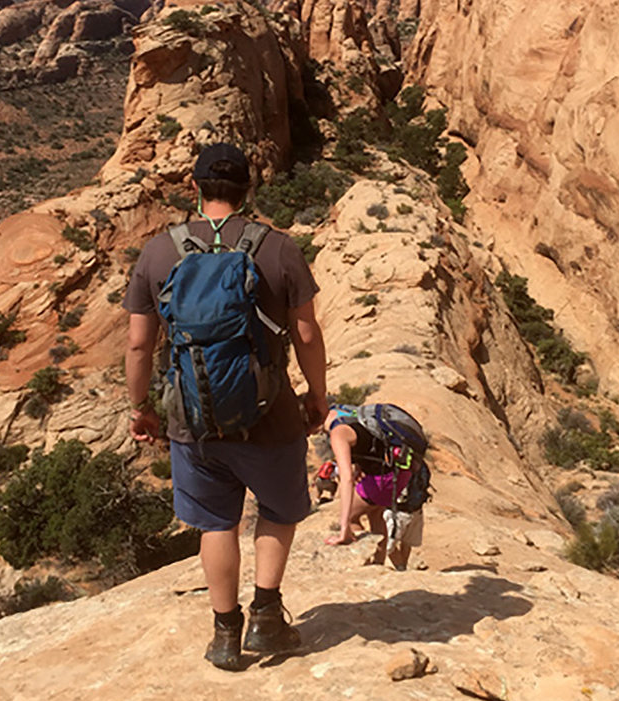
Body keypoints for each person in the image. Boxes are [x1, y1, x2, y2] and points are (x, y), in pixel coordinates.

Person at [123, 142, 327, 671]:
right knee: (280, 511)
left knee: (217, 522)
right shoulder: (279, 249)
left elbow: (140, 345)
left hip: (192, 418)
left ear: (195, 188)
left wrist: (140, 406)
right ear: (248, 188)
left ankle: (224, 634)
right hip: (270, 411)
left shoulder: (158, 252)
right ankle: (266, 615)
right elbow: (306, 334)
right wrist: (317, 398)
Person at [322, 405, 424, 570]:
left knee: (351, 516)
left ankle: (361, 556)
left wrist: (344, 528)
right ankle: (378, 564)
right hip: (398, 473)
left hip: (382, 479)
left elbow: (346, 478)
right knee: (375, 515)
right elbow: (368, 443)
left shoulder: (337, 433)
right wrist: (361, 468)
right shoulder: (344, 412)